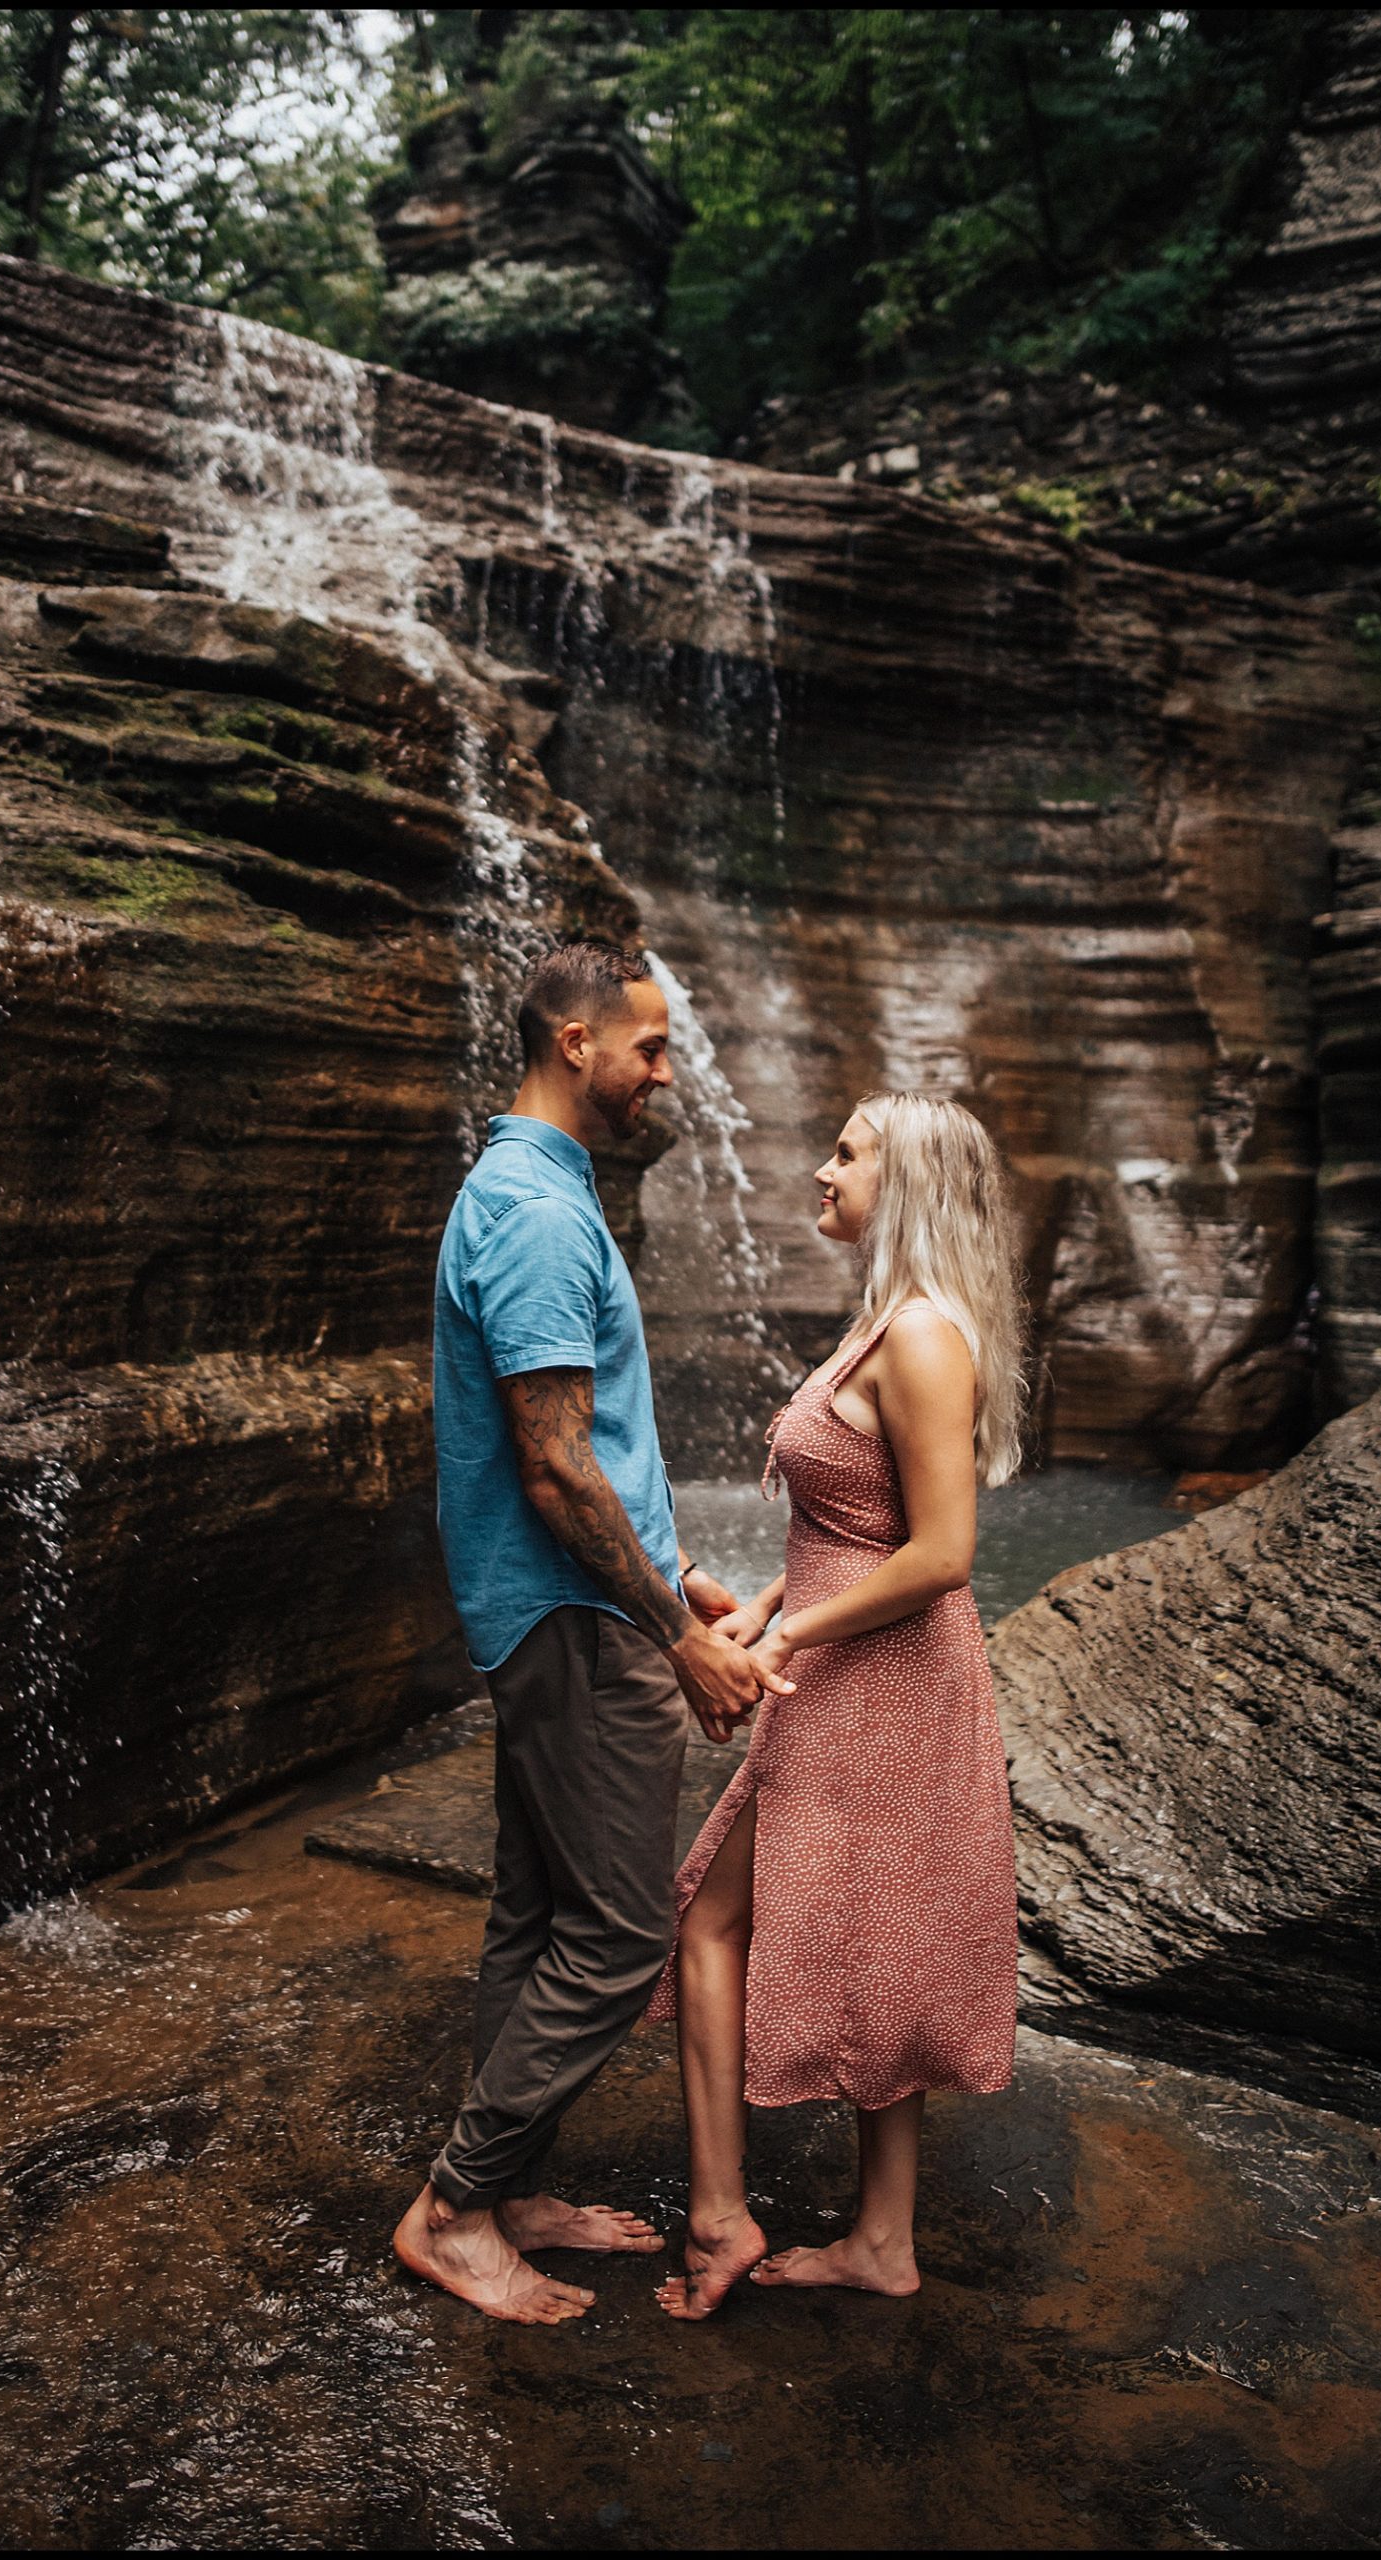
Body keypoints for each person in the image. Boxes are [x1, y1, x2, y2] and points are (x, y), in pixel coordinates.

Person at [393, 938, 789, 2328]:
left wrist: (677, 1584)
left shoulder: (530, 1191)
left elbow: (588, 1452)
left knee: (540, 1914)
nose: (666, 1072)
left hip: (564, 1604)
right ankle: (453, 2209)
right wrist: (669, 1637)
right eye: (655, 1046)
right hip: (569, 1618)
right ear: (578, 1042)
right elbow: (555, 1464)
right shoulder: (542, 1214)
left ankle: (499, 2189)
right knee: (623, 1939)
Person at [649, 1091, 1026, 2317]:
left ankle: (721, 2222)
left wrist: (792, 1632)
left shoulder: (922, 1338)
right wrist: (762, 1602)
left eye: (849, 1154)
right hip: (848, 1666)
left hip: (881, 1679)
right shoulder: (889, 1322)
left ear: (904, 1182)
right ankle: (882, 2238)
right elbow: (852, 1527)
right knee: (876, 1932)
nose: (822, 1168)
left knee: (708, 1922)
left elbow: (944, 1551)